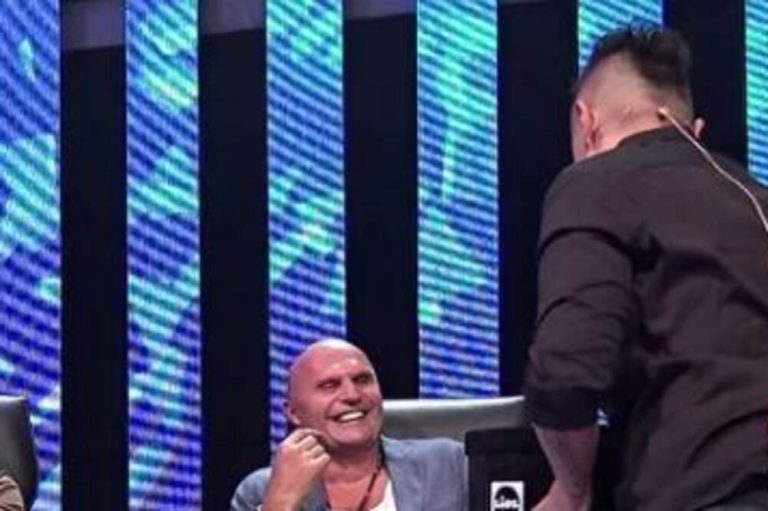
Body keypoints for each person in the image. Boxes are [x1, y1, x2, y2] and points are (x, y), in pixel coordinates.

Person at [523, 26, 768, 511]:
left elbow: (565, 372)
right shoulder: (755, 199)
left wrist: (571, 489)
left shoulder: (594, 182)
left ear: (586, 122)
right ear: (694, 131)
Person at [231, 338, 468, 511]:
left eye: (362, 380)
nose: (352, 395)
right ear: (294, 412)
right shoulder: (260, 490)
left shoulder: (449, 463)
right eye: (329, 386)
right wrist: (281, 503)